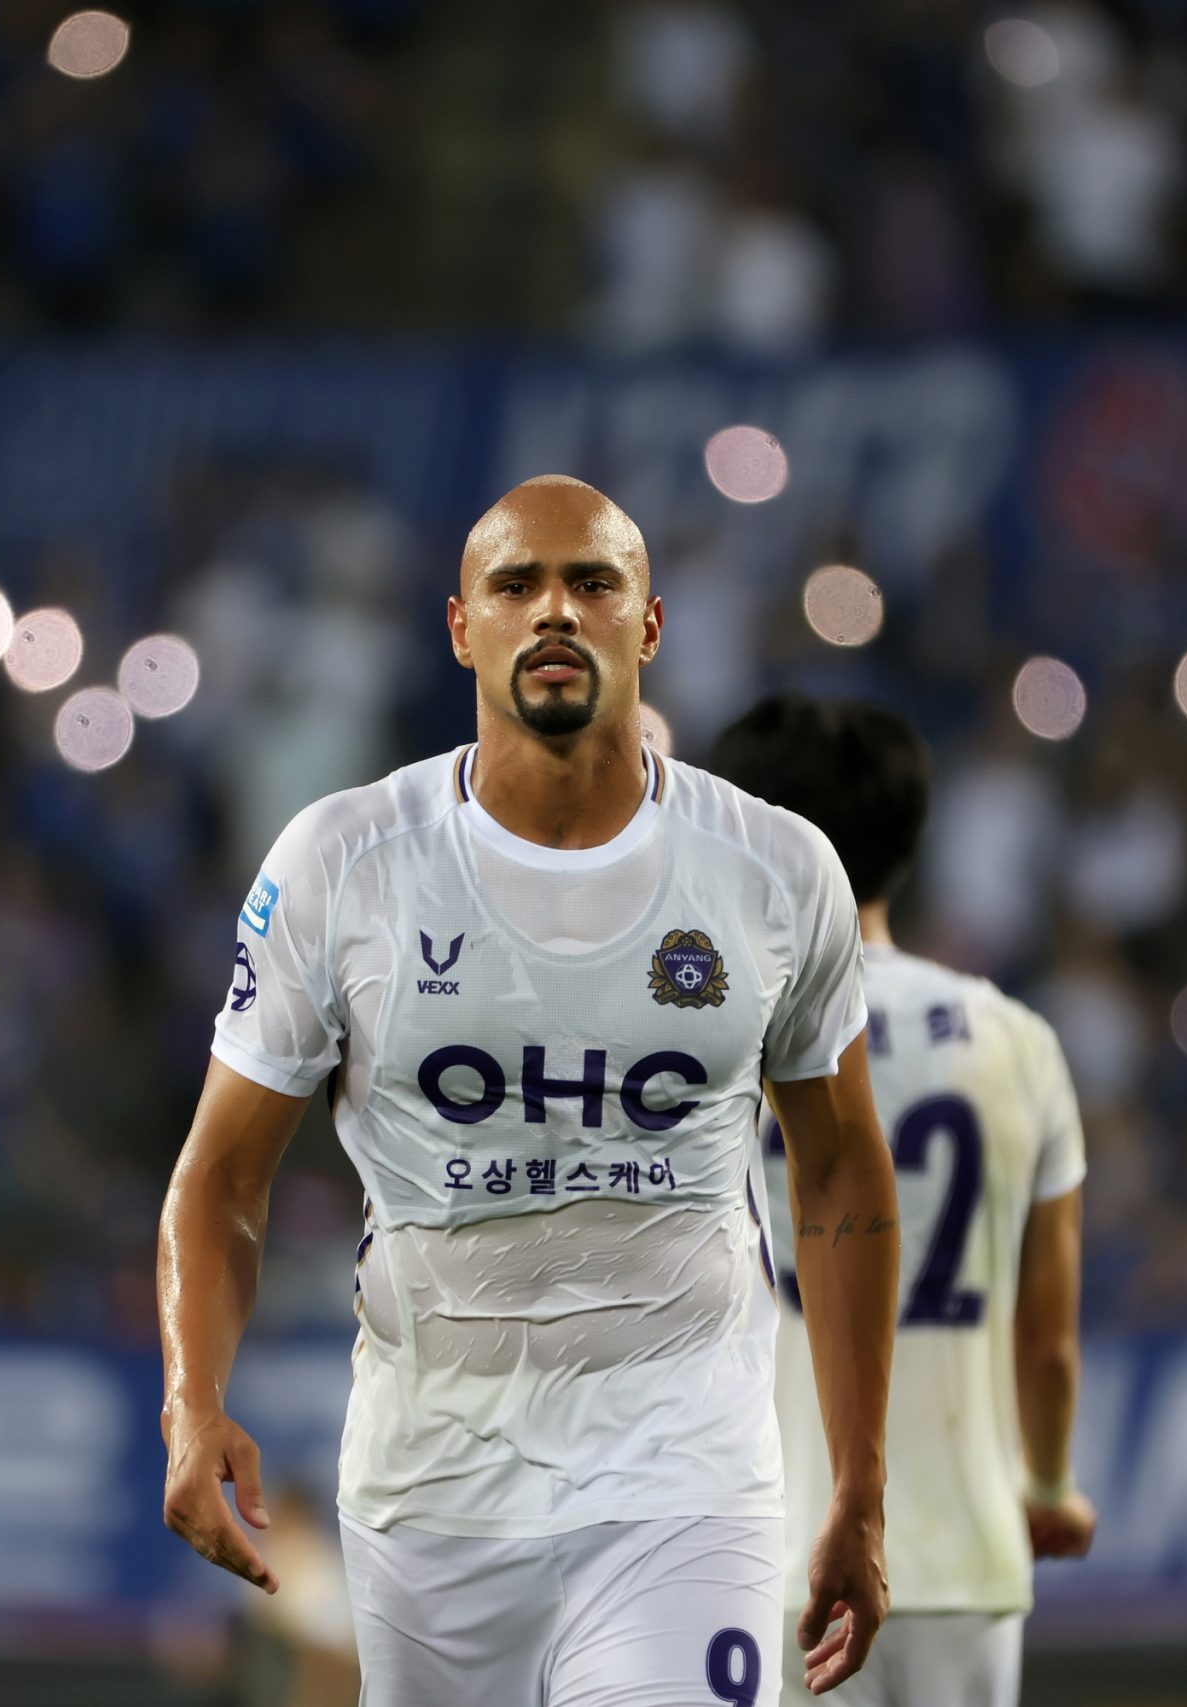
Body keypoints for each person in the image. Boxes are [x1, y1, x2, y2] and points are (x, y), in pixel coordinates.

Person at [158, 477, 902, 1704]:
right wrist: (193, 1401)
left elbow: (838, 1170)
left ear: (648, 625)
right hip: (431, 1502)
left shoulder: (774, 870)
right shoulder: (343, 865)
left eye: (591, 583)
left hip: (685, 1482)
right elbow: (220, 1180)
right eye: (516, 586)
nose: (554, 611)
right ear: (462, 629)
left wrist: (860, 1486)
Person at [708, 695, 1094, 1707]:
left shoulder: (716, 1039)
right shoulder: (1016, 1039)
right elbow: (1047, 1337)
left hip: (778, 1551)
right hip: (965, 1551)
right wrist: (1046, 1489)